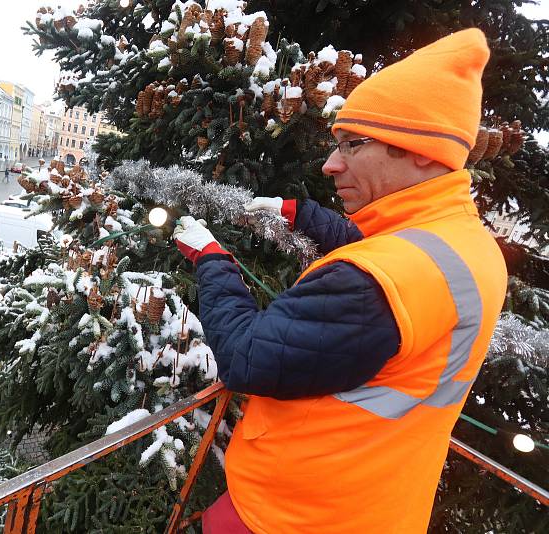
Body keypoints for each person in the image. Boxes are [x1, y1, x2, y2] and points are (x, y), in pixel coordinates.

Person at [174, 29, 507, 534]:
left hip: (294, 516)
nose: (331, 164)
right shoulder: (460, 242)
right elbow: (376, 241)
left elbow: (247, 356)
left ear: (419, 150)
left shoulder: (376, 281)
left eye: (353, 145)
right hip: (369, 502)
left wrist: (212, 259)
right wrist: (295, 212)